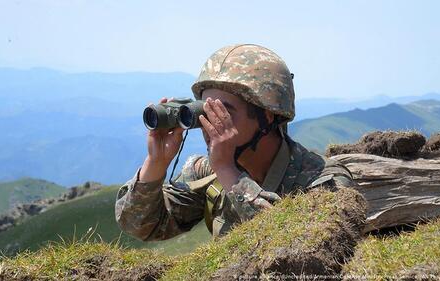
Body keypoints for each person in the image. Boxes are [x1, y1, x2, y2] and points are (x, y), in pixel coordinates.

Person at [115, 44, 356, 241]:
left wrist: (228, 171)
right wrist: (155, 164)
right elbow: (141, 226)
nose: (211, 124)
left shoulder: (324, 181)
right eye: (205, 111)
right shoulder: (205, 172)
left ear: (267, 116)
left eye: (224, 113)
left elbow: (296, 249)